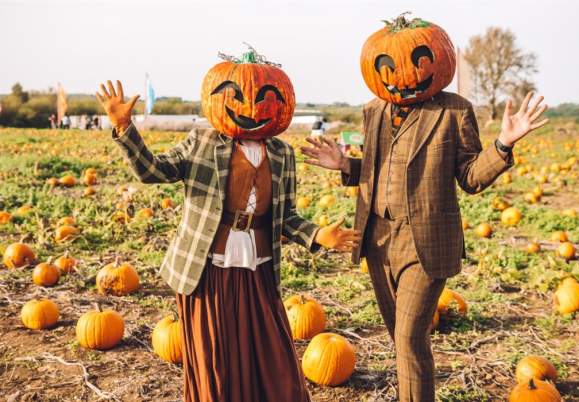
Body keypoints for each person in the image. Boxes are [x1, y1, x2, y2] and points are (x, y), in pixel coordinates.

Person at [301, 13, 548, 402]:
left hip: (425, 243)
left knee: (410, 335)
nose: (402, 74)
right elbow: (375, 167)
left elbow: (469, 177)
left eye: (416, 63)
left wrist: (503, 144)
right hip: (378, 239)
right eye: (389, 66)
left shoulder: (454, 111)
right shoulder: (375, 110)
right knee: (399, 338)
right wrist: (344, 166)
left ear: (436, 61)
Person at [97, 67, 360, 401]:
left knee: (271, 349)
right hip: (208, 269)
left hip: (259, 268)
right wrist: (124, 128)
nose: (251, 108)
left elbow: (286, 215)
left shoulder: (281, 154)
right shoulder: (202, 143)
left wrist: (317, 234)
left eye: (265, 98)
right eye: (238, 97)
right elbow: (153, 171)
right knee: (216, 355)